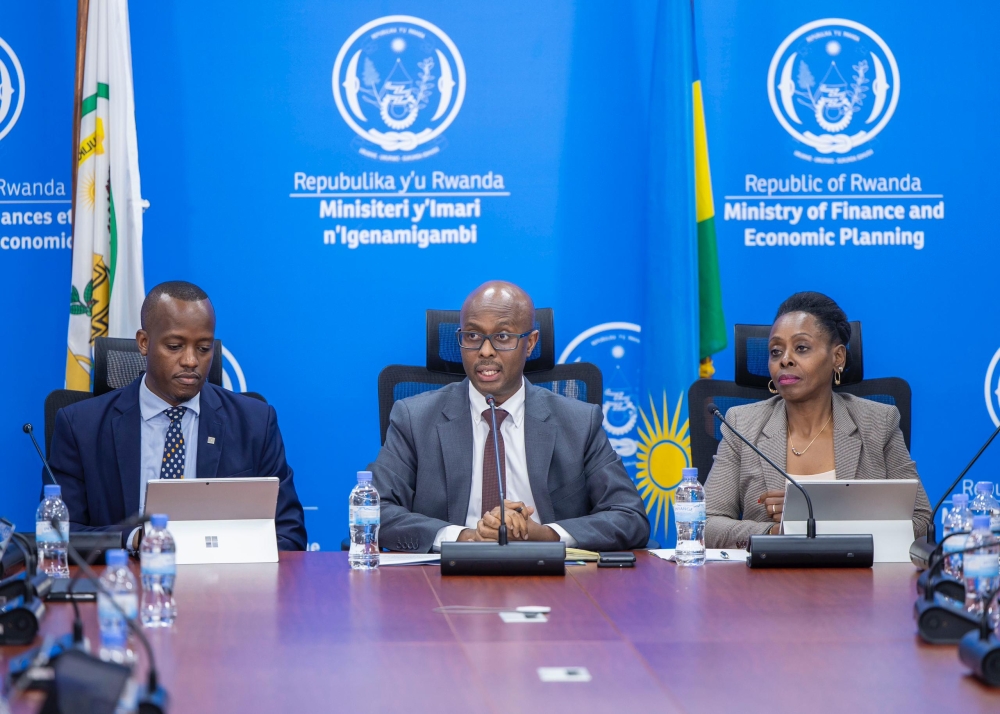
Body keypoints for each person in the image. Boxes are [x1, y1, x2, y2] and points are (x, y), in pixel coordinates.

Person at [370, 280, 650, 552]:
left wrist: (545, 535)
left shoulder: (579, 422)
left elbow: (628, 516)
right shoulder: (414, 419)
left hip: (552, 581)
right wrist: (464, 538)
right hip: (445, 580)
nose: (486, 350)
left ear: (530, 343)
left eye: (502, 337)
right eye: (472, 336)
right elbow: (372, 510)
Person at [47, 281, 307, 551]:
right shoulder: (80, 427)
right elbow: (59, 534)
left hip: (225, 585)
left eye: (204, 349)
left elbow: (289, 535)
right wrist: (133, 539)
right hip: (123, 581)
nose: (191, 361)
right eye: (174, 346)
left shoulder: (255, 423)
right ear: (144, 343)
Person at [705, 291, 931, 549]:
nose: (785, 360)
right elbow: (708, 523)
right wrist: (776, 533)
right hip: (770, 581)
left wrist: (818, 520)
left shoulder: (878, 422)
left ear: (838, 357)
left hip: (857, 581)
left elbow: (922, 521)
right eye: (776, 351)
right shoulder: (741, 425)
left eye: (801, 348)